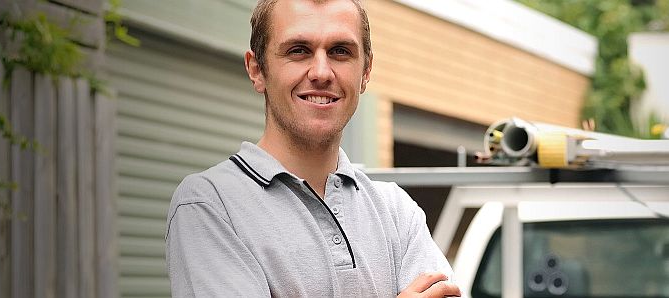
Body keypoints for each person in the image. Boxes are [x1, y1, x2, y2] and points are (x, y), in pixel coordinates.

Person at [164, 0, 461, 296]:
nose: (321, 72)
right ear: (257, 70)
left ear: (366, 71)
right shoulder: (209, 205)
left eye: (340, 52)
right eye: (298, 51)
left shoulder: (397, 212)